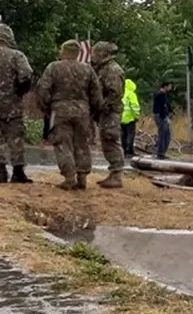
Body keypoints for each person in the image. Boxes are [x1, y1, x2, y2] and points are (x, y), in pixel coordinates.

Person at [36, 39, 104, 190]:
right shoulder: (88, 69)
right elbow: (96, 94)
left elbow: (43, 90)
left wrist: (46, 108)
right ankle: (82, 177)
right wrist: (93, 111)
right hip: (82, 111)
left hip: (59, 110)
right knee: (82, 143)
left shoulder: (53, 67)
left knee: (62, 143)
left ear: (64, 51)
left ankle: (69, 177)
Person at [0, 23, 34, 184]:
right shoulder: (16, 55)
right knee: (16, 137)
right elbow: (26, 75)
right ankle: (18, 171)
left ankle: (0, 171)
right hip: (12, 104)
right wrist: (20, 91)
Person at [89, 41, 125, 188]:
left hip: (110, 112)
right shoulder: (103, 69)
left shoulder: (112, 70)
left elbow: (114, 92)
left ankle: (116, 175)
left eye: (95, 53)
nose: (93, 56)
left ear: (103, 54)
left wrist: (103, 106)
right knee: (106, 140)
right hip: (106, 111)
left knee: (110, 140)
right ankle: (114, 173)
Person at [152, 82, 173, 159]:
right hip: (161, 116)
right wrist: (165, 117)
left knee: (167, 134)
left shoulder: (164, 95)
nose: (171, 88)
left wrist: (170, 112)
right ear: (165, 86)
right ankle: (160, 153)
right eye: (170, 86)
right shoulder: (159, 95)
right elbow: (160, 108)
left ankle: (163, 152)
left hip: (163, 116)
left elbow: (167, 105)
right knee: (163, 134)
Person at [120, 78, 139, 157]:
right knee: (130, 135)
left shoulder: (121, 93)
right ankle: (129, 151)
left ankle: (123, 150)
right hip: (130, 118)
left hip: (120, 118)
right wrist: (136, 116)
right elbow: (135, 106)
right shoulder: (131, 94)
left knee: (123, 135)